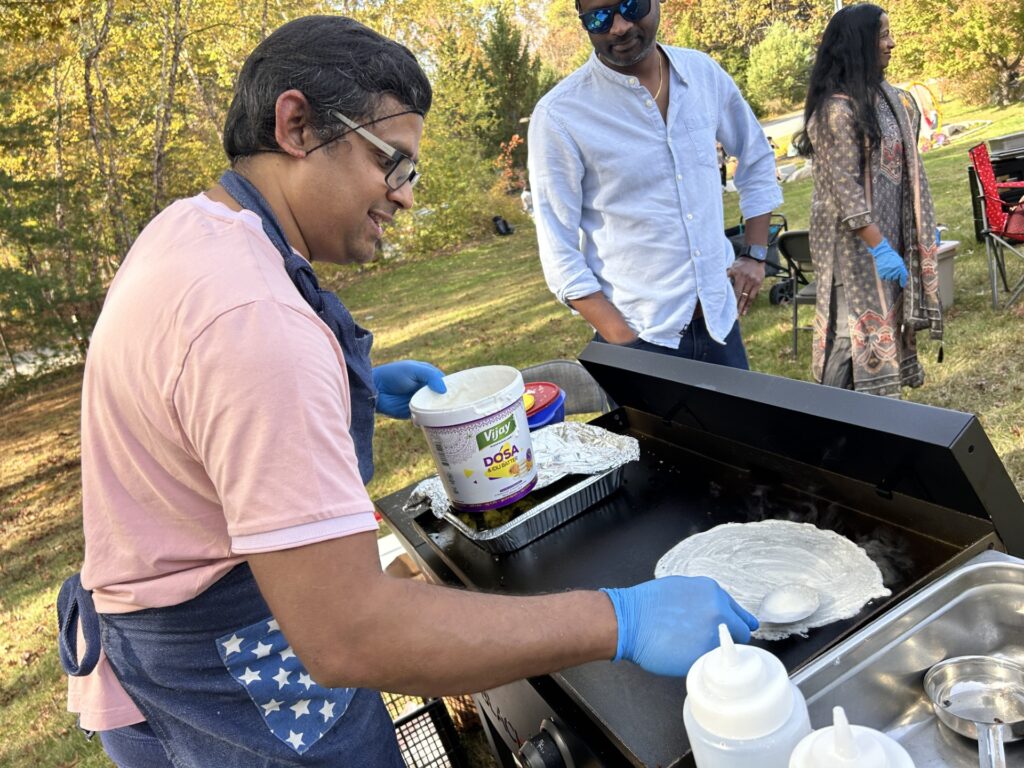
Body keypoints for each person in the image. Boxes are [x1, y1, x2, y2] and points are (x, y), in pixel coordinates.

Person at [57, 15, 758, 767]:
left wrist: (345, 387)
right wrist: (621, 619)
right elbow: (351, 632)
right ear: (296, 125)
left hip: (162, 655)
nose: (405, 197)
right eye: (394, 163)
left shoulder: (195, 232)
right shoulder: (252, 321)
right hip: (236, 680)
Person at [528, 0, 782, 369]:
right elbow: (558, 253)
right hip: (638, 338)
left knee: (741, 429)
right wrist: (626, 345)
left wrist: (756, 254)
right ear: (583, 23)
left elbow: (756, 156)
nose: (618, 26)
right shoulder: (560, 115)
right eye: (599, 17)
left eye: (631, 6)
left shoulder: (703, 75)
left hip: (719, 324)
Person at [793, 4, 942, 397]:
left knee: (884, 330)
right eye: (882, 35)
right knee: (848, 341)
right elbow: (846, 191)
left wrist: (916, 229)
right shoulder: (835, 112)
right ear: (859, 45)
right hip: (855, 253)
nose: (891, 43)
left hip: (887, 240)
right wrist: (881, 249)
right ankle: (830, 429)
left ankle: (877, 427)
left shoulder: (885, 100)